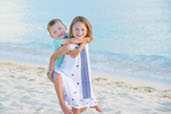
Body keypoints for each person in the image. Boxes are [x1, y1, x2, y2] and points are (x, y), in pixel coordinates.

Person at [50, 16, 102, 114]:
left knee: (82, 107)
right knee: (76, 108)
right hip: (67, 73)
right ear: (71, 30)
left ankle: (91, 102)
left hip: (79, 75)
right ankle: (63, 105)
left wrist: (79, 49)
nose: (79, 32)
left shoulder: (84, 41)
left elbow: (88, 39)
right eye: (76, 29)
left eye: (82, 29)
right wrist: (50, 72)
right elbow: (53, 57)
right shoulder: (67, 45)